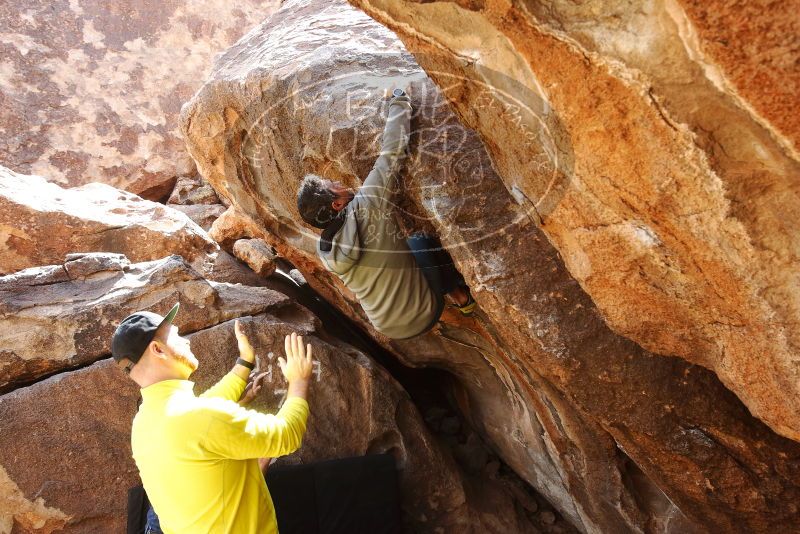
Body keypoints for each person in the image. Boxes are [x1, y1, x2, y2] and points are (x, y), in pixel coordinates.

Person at [112, 303, 313, 533]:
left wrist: (244, 363)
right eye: (176, 335)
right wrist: (299, 380)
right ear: (158, 350)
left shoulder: (143, 424)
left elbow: (204, 413)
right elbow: (286, 435)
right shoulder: (200, 417)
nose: (186, 341)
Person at [296, 88, 476, 340]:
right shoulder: (366, 204)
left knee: (409, 245)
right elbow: (392, 151)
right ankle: (461, 298)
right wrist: (399, 99)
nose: (336, 181)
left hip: (387, 327)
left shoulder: (326, 249)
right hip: (424, 314)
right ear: (337, 204)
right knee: (423, 243)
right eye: (331, 185)